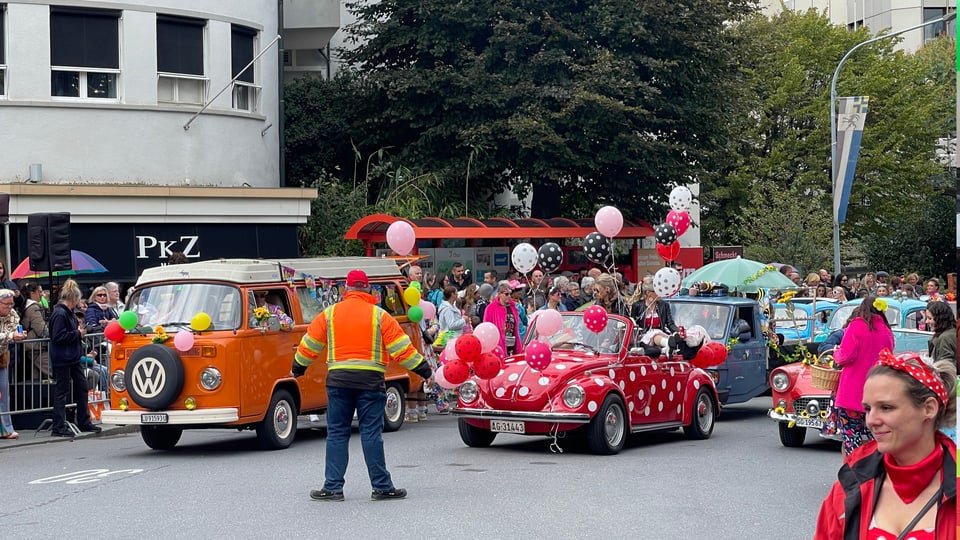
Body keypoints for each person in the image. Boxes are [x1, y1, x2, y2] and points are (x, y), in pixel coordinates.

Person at [291, 269, 432, 502]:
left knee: (337, 433)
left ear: (346, 289)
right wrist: (424, 371)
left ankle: (333, 488)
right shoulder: (380, 315)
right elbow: (402, 350)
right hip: (370, 382)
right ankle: (382, 487)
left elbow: (309, 345)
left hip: (338, 381)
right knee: (370, 433)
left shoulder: (330, 314)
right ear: (368, 289)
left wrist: (297, 368)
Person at [814, 350, 956, 538]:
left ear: (928, 408)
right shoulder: (850, 486)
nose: (871, 420)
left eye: (886, 408)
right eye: (867, 409)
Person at [833, 296, 894, 456]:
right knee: (874, 438)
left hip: (852, 394)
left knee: (851, 438)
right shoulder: (886, 331)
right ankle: (873, 473)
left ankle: (853, 474)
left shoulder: (857, 326)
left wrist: (835, 353)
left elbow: (846, 356)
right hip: (878, 392)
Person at [48, 279, 101, 437]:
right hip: (63, 358)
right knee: (62, 391)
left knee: (81, 387)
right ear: (74, 298)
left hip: (72, 357)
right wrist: (77, 333)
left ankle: (84, 421)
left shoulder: (66, 313)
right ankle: (58, 426)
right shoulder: (60, 313)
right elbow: (57, 336)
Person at [629, 276, 679, 356]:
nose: (660, 293)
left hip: (660, 335)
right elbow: (633, 325)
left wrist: (678, 332)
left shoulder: (664, 305)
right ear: (648, 293)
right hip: (643, 338)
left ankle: (669, 345)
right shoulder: (637, 306)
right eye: (658, 291)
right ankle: (668, 345)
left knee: (656, 333)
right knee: (654, 334)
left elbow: (670, 323)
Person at [0, 289, 26, 439]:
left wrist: (20, 334)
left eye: (12, 304)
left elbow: (16, 327)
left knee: (4, 394)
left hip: (2, 355)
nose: (10, 307)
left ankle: (7, 429)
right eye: (6, 304)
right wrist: (10, 336)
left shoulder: (13, 314)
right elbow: (9, 334)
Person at [484, 280, 524, 355]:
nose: (509, 296)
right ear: (499, 294)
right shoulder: (491, 308)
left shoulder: (513, 307)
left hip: (512, 343)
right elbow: (486, 327)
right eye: (506, 294)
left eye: (510, 294)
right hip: (498, 345)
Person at [20, 281, 50, 381]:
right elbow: (41, 330)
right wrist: (52, 334)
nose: (42, 294)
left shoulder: (28, 307)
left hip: (34, 347)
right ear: (32, 293)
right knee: (51, 373)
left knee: (36, 379)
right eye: (40, 292)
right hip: (38, 347)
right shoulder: (33, 308)